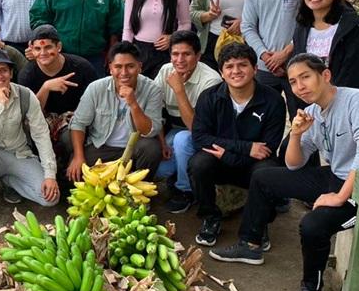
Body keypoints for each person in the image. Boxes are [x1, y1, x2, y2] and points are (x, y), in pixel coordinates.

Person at [210, 54, 359, 291]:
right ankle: (250, 244)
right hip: (338, 175)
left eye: (305, 77)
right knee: (264, 178)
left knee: (313, 225)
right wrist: (296, 134)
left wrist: (340, 196)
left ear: (326, 75)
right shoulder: (314, 112)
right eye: (293, 82)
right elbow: (294, 164)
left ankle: (311, 289)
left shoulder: (358, 100)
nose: (299, 87)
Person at [189, 43, 286, 247]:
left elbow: (267, 147)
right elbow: (199, 137)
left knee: (268, 169)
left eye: (242, 65)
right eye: (229, 66)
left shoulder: (273, 100)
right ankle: (210, 217)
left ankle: (257, 226)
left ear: (255, 69)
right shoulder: (209, 97)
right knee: (199, 163)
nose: (236, 71)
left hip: (252, 166)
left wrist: (228, 151)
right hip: (221, 162)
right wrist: (244, 148)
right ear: (221, 72)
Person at [0, 49, 60, 220]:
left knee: (50, 199)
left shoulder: (26, 95)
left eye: (3, 70)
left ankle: (10, 182)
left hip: (20, 155)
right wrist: (1, 105)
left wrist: (50, 175)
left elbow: (41, 134)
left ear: (11, 73)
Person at [242, 0, 314, 119]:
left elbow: (316, 19)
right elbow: (247, 26)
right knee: (261, 121)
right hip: (266, 68)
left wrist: (286, 52)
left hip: (301, 64)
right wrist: (266, 56)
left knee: (304, 120)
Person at [67, 42, 163, 182]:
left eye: (130, 66)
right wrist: (78, 157)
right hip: (102, 146)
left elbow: (149, 131)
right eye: (118, 67)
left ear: (139, 67)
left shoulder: (152, 89)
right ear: (110, 68)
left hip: (134, 150)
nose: (124, 73)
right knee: (77, 174)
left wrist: (133, 104)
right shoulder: (96, 88)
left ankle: (139, 188)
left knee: (151, 148)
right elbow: (78, 124)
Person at [153, 31, 221, 214]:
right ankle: (180, 173)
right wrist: (161, 143)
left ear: (198, 56)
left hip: (205, 134)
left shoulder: (211, 80)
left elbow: (196, 129)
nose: (180, 60)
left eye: (187, 54)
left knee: (182, 140)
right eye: (175, 54)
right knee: (158, 168)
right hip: (174, 129)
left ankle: (185, 190)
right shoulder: (166, 70)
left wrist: (179, 90)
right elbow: (154, 111)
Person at [291, 0, 359, 101]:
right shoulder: (301, 28)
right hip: (311, 102)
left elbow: (354, 73)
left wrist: (330, 102)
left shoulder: (353, 28)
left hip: (349, 102)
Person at [18, 24, 97, 162]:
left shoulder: (81, 67)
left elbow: (96, 101)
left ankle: (70, 171)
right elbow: (29, 113)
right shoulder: (27, 74)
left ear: (58, 47)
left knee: (69, 137)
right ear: (31, 49)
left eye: (48, 47)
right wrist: (46, 87)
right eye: (37, 48)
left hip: (76, 116)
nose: (43, 53)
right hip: (42, 118)